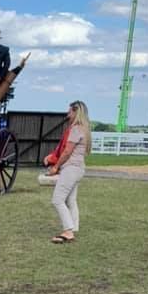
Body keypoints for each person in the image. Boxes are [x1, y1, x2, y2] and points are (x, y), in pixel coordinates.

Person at [46, 100, 91, 243]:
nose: (67, 114)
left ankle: (68, 231)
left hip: (71, 169)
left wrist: (55, 167)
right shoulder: (85, 129)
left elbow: (67, 152)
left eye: (70, 111)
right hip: (79, 168)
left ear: (76, 112)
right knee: (71, 200)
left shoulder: (76, 129)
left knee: (57, 200)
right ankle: (73, 227)